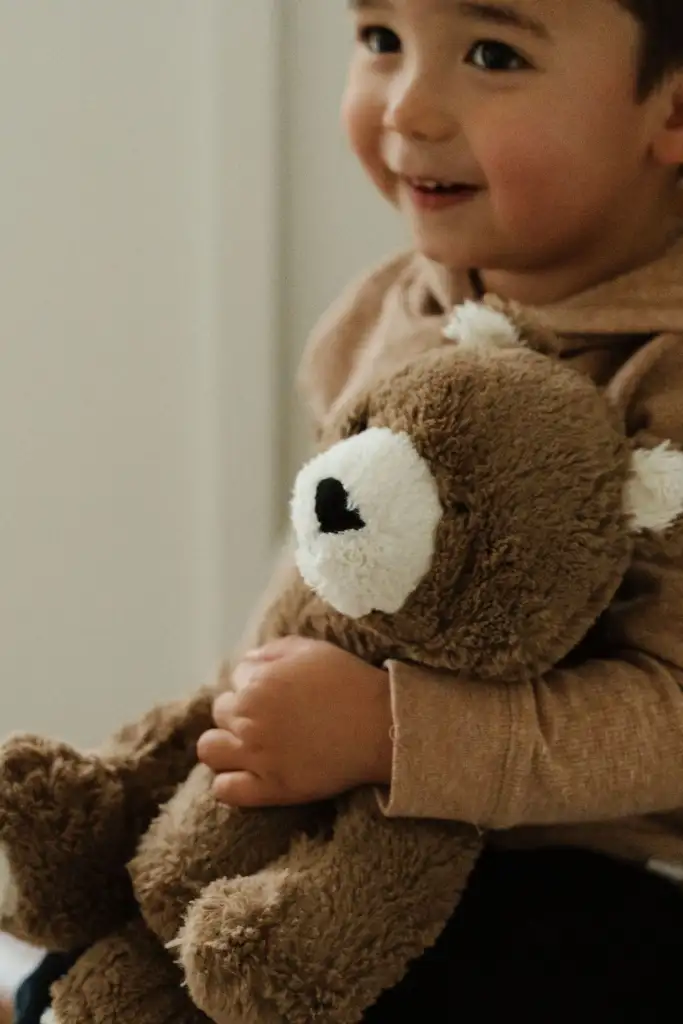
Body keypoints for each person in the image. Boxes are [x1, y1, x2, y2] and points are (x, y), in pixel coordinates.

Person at [197, 1, 683, 1021]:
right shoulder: (392, 306)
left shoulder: (663, 376)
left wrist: (393, 736)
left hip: (602, 875)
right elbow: (320, 578)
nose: (406, 106)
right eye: (379, 39)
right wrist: (230, 735)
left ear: (670, 110)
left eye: (490, 54)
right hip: (371, 822)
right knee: (127, 954)